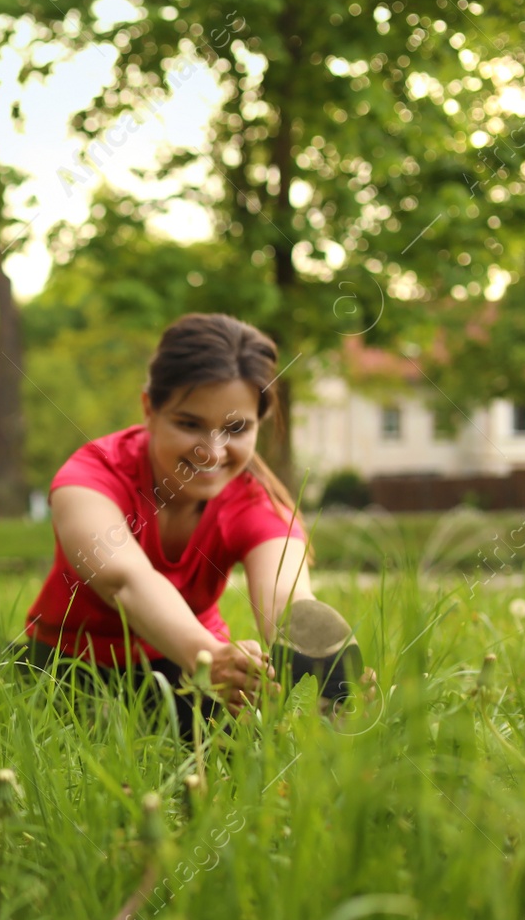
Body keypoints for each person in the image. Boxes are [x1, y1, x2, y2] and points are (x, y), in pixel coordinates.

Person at [23, 313, 361, 735]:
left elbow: (283, 598)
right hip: (70, 665)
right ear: (150, 408)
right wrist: (209, 656)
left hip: (188, 673)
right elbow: (124, 580)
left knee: (245, 749)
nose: (211, 452)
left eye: (236, 428)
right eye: (189, 424)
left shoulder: (257, 502)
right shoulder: (92, 477)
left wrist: (324, 666)